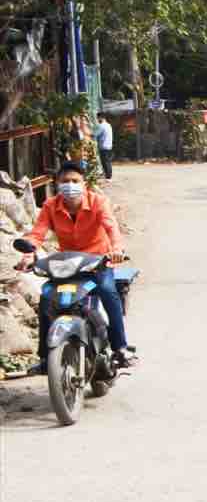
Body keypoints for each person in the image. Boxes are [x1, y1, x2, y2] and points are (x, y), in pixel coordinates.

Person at [20, 161, 134, 374]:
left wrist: (116, 250)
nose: (70, 185)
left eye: (75, 181)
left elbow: (111, 227)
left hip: (98, 262)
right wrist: (28, 254)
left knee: (108, 291)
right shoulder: (50, 206)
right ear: (57, 184)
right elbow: (37, 233)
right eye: (65, 181)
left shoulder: (98, 202)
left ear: (84, 185)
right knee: (46, 299)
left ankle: (120, 348)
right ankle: (46, 358)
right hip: (68, 264)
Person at [94, 116, 114, 181]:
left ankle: (108, 177)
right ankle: (108, 175)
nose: (97, 120)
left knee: (105, 162)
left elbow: (95, 134)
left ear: (101, 118)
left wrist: (88, 133)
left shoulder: (101, 126)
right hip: (109, 146)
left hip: (103, 146)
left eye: (97, 118)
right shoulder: (109, 125)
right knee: (107, 161)